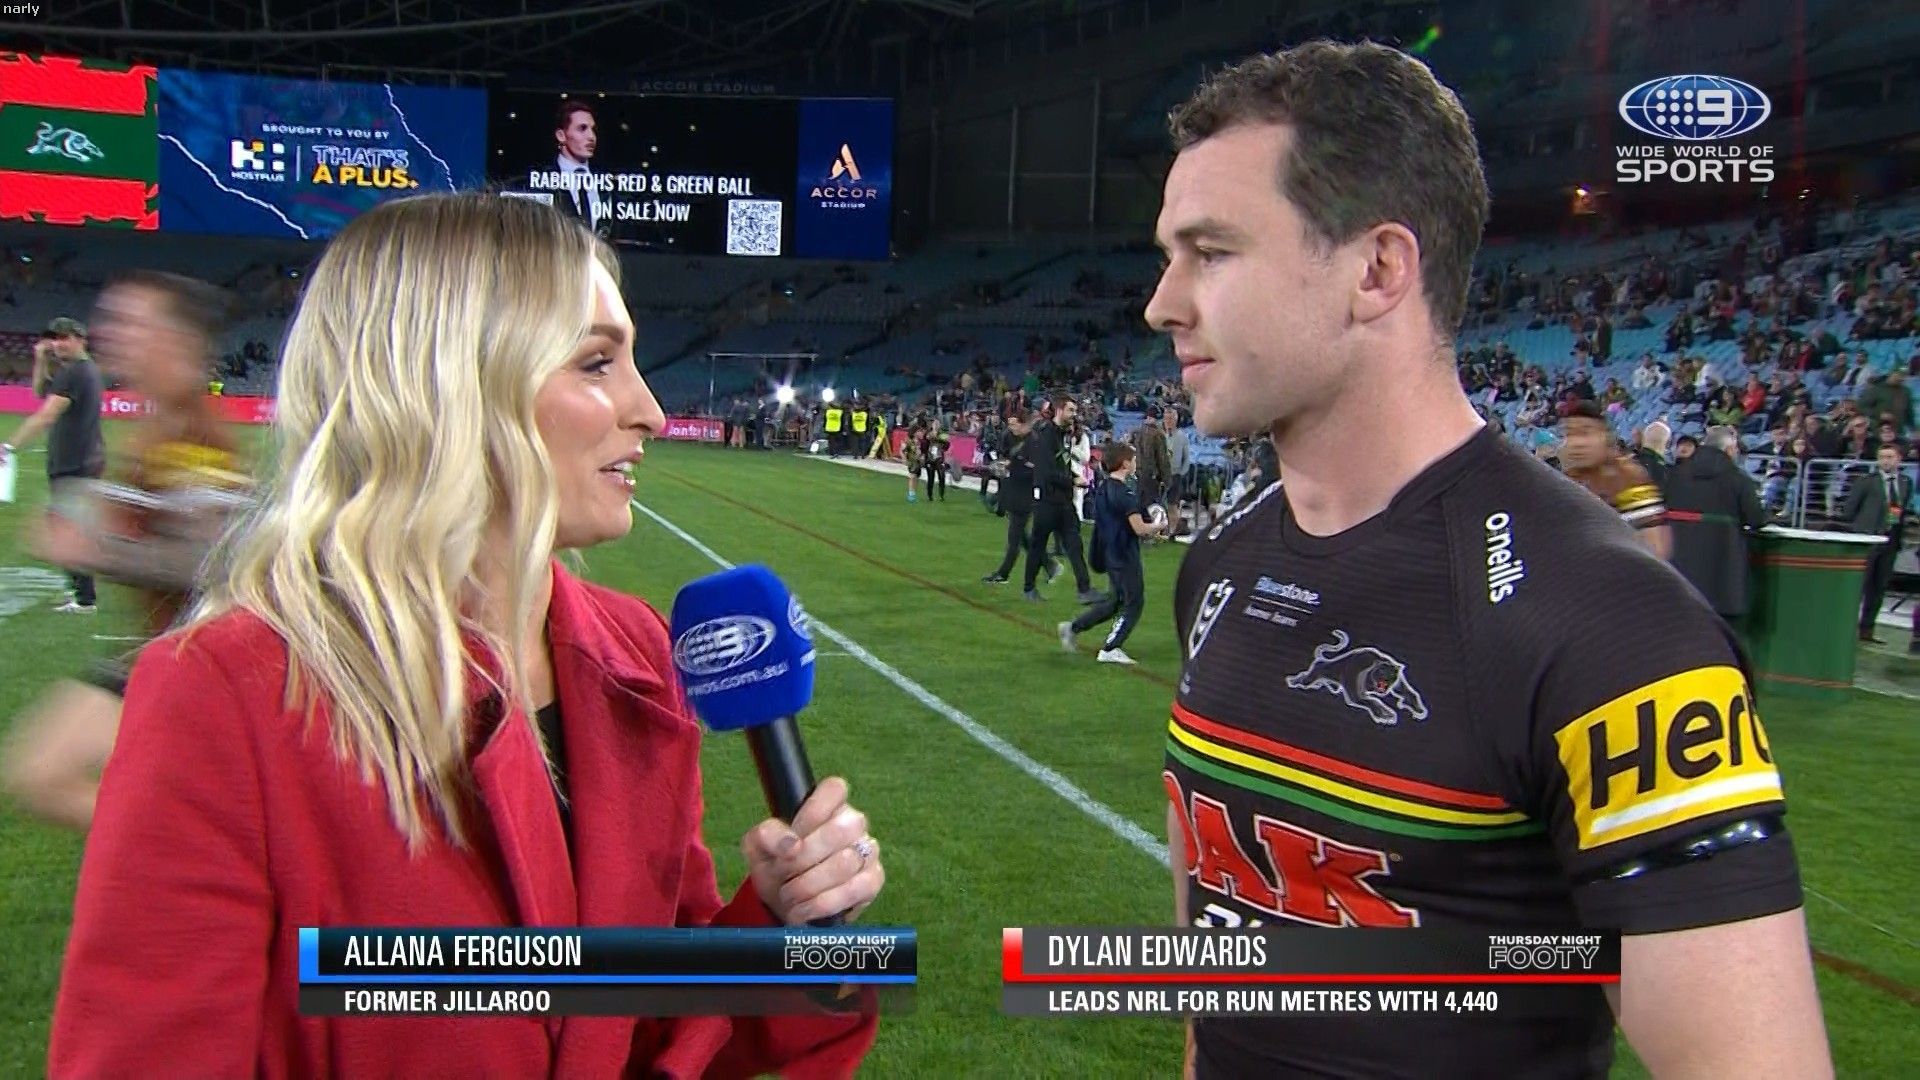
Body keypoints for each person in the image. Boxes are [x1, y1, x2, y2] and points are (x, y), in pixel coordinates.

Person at [49, 194, 886, 1077]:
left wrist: (784, 927)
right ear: (449, 385)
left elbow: (648, 1022)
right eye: (597, 362)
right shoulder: (229, 695)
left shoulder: (637, 654)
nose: (648, 409)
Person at [1147, 42, 1828, 1080]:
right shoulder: (1223, 557)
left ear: (1378, 270)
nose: (1162, 303)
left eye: (1211, 252)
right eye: (1169, 255)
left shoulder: (1612, 628)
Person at [2, 272, 251, 832]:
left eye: (133, 323)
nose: (112, 333)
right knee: (46, 773)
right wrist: (103, 510)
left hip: (195, 662)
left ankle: (185, 849)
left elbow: (210, 562)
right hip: (165, 651)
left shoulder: (194, 433)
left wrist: (96, 549)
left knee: (44, 773)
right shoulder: (163, 422)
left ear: (179, 340)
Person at [3, 317, 108, 613]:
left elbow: (46, 414)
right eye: (55, 339)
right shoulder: (77, 371)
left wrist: (9, 446)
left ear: (80, 339)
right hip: (80, 458)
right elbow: (40, 393)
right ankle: (80, 591)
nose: (58, 344)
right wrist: (40, 360)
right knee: (68, 524)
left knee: (67, 527)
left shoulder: (75, 372)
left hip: (75, 461)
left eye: (64, 338)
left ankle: (84, 598)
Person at [1058, 442, 1165, 664]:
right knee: (1134, 602)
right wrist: (1158, 526)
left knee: (1115, 601)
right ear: (1125, 464)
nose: (1135, 463)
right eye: (1133, 460)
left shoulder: (1104, 487)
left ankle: (1073, 627)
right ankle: (1110, 648)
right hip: (1124, 554)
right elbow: (1139, 529)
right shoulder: (1126, 493)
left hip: (1109, 552)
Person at [1664, 426, 1770, 635]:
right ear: (1729, 450)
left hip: (1677, 569)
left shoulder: (1674, 474)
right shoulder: (1738, 479)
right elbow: (1756, 519)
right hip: (1722, 573)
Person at [1559, 400, 1673, 560]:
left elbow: (1653, 550)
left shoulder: (1628, 477)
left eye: (1586, 433)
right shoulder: (1565, 480)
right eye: (1570, 434)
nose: (1577, 443)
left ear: (1605, 436)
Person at [1022, 395, 1098, 604]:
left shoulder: (1062, 435)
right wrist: (1073, 481)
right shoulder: (1046, 435)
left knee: (1075, 545)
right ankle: (1029, 588)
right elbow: (1047, 472)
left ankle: (1084, 590)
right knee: (1038, 546)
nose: (1074, 415)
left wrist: (1073, 477)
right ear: (1059, 410)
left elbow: (1062, 465)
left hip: (1064, 500)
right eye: (1071, 410)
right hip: (1047, 500)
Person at [1842, 443, 1913, 644]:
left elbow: (1900, 511)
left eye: (1890, 457)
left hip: (1891, 541)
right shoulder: (1867, 481)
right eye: (1882, 457)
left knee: (1879, 587)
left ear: (1899, 459)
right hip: (1868, 540)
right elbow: (1849, 510)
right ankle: (1846, 628)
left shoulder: (1905, 482)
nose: (1885, 461)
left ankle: (1867, 630)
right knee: (1860, 586)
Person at [982, 409, 1037, 584]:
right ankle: (1050, 566)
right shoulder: (1015, 438)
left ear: (1024, 424)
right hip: (1014, 493)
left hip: (1025, 497)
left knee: (1014, 539)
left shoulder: (1034, 443)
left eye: (1014, 424)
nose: (1011, 427)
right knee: (1022, 537)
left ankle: (1003, 574)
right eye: (1010, 424)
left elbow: (1035, 472)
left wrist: (1011, 468)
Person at [548, 98, 608, 236]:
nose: (591, 136)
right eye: (582, 128)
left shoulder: (606, 183)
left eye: (593, 130)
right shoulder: (541, 180)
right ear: (561, 135)